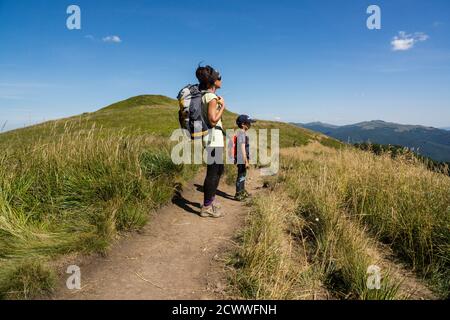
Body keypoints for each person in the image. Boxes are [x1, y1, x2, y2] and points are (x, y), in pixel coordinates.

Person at [196, 65, 226, 218]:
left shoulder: (204, 96)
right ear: (213, 81)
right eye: (219, 77)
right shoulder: (211, 97)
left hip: (211, 139)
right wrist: (223, 106)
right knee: (213, 172)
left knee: (218, 170)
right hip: (213, 140)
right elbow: (213, 121)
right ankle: (207, 206)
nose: (221, 79)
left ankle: (210, 201)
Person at [234, 115, 256, 201]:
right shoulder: (241, 134)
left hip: (242, 158)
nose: (250, 124)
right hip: (241, 158)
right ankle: (238, 194)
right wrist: (246, 161)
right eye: (249, 123)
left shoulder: (241, 133)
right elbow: (242, 148)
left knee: (243, 175)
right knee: (241, 176)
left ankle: (242, 191)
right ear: (243, 124)